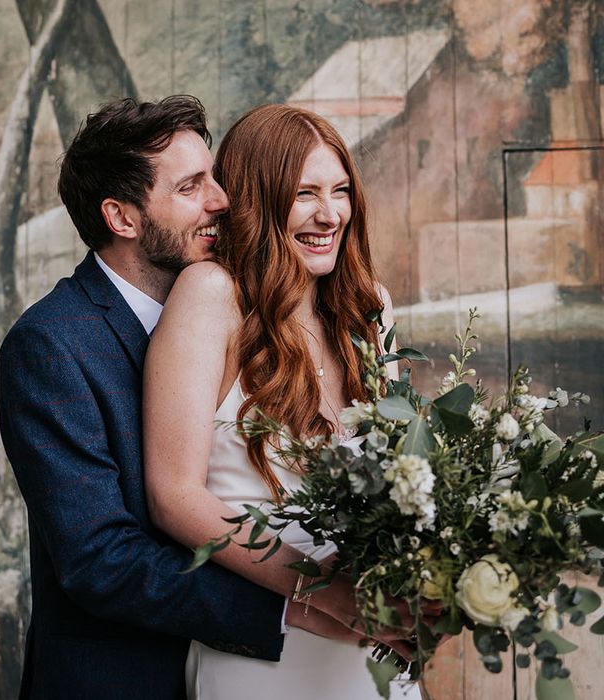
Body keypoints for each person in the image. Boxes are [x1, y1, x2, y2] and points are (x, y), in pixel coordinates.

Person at [0, 96, 357, 700]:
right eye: (192, 187)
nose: (222, 200)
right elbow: (100, 559)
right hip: (128, 681)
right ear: (123, 218)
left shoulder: (255, 314)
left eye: (213, 177)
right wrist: (294, 608)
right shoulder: (51, 344)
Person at [143, 104, 420, 699]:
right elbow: (174, 496)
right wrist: (325, 589)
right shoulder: (211, 295)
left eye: (341, 190)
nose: (330, 214)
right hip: (269, 649)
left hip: (375, 648)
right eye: (305, 194)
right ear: (259, 201)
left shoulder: (369, 307)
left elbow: (407, 472)